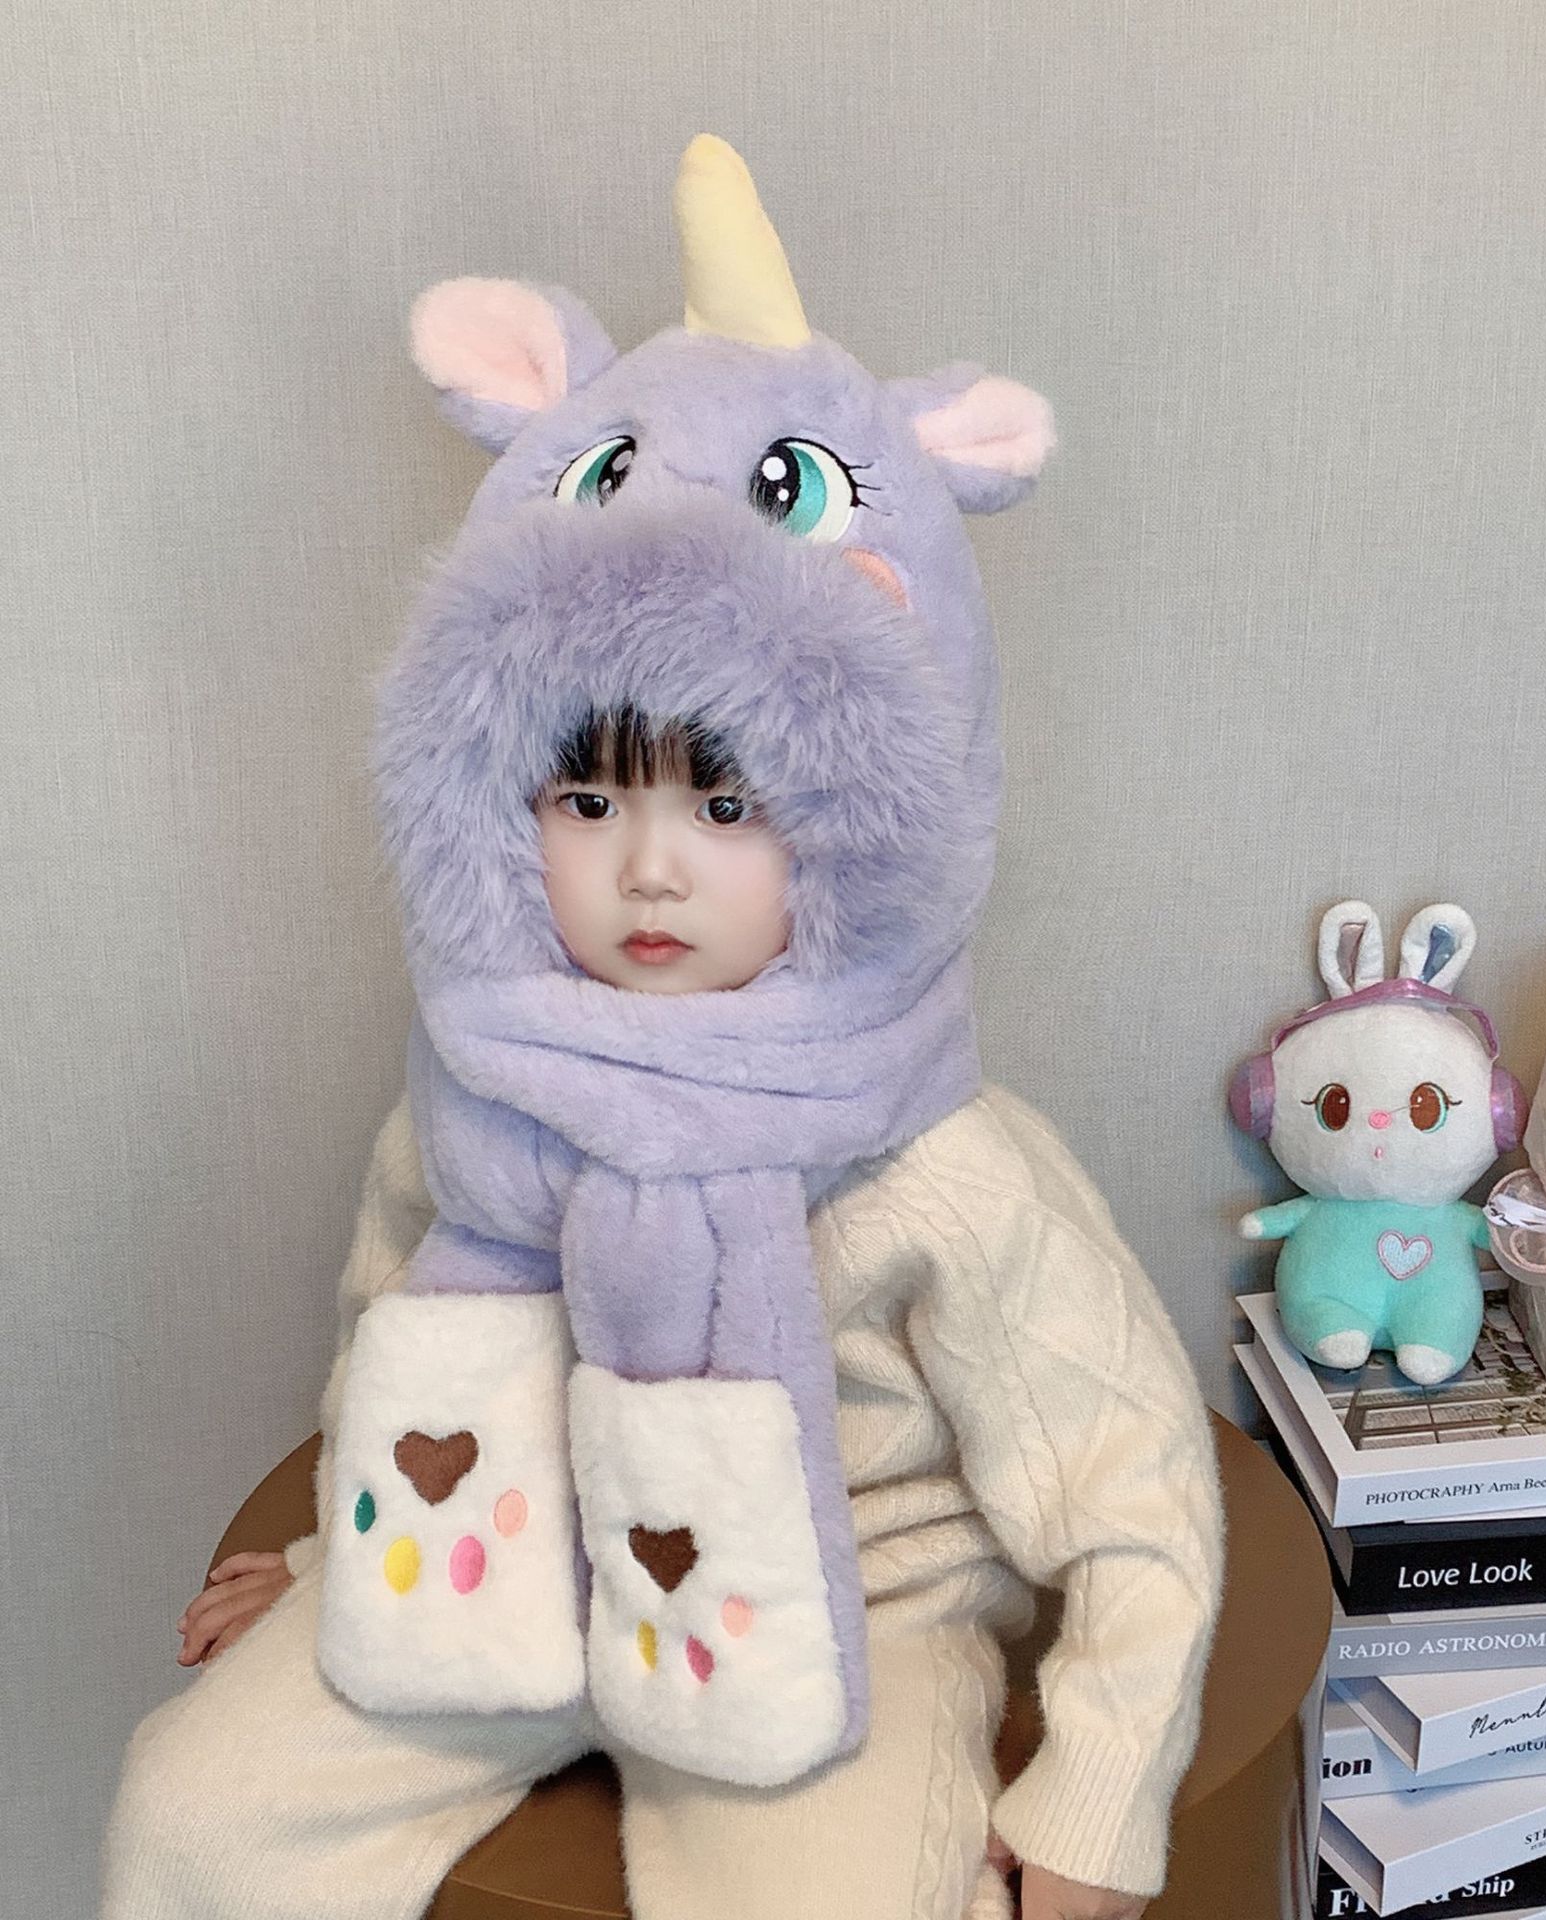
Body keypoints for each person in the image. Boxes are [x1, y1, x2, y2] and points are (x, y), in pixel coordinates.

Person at [102, 135, 1226, 1920]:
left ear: (853, 824)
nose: (647, 867)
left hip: (848, 1619)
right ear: (495, 805)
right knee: (191, 1815)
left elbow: (1134, 1482)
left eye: (725, 805)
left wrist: (1100, 1788)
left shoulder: (936, 1159)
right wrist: (339, 1556)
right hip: (501, 1571)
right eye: (584, 797)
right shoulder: (476, 1094)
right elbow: (398, 1349)